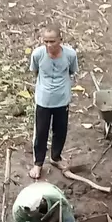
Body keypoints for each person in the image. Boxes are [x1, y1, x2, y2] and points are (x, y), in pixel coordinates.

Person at [29, 24, 78, 179]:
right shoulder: (37, 55)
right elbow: (36, 71)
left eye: (53, 41)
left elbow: (71, 71)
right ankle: (38, 164)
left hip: (62, 99)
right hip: (43, 100)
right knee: (41, 132)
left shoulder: (70, 55)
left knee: (60, 131)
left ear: (60, 40)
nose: (49, 45)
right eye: (46, 42)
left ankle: (56, 157)